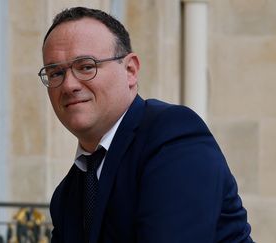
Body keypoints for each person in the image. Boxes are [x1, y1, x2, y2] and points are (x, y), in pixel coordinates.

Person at [39, 6, 253, 243]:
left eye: (86, 66)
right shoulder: (67, 195)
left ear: (130, 70)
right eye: (56, 73)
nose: (69, 85)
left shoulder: (173, 136)